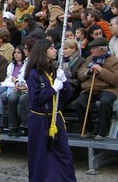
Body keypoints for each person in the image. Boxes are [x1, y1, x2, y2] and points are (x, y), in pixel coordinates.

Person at [25, 38, 76, 182]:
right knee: (40, 153)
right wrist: (53, 89)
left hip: (55, 118)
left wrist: (64, 82)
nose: (55, 50)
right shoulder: (33, 74)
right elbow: (36, 99)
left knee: (63, 152)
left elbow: (67, 95)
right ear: (43, 51)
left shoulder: (54, 70)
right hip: (40, 119)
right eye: (52, 48)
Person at [73, 37, 118, 140]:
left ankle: (102, 132)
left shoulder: (114, 61)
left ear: (102, 49)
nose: (91, 50)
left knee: (105, 101)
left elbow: (115, 80)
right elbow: (80, 73)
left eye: (94, 48)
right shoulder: (89, 59)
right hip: (90, 88)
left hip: (107, 89)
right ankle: (88, 128)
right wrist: (89, 71)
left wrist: (101, 71)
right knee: (79, 102)